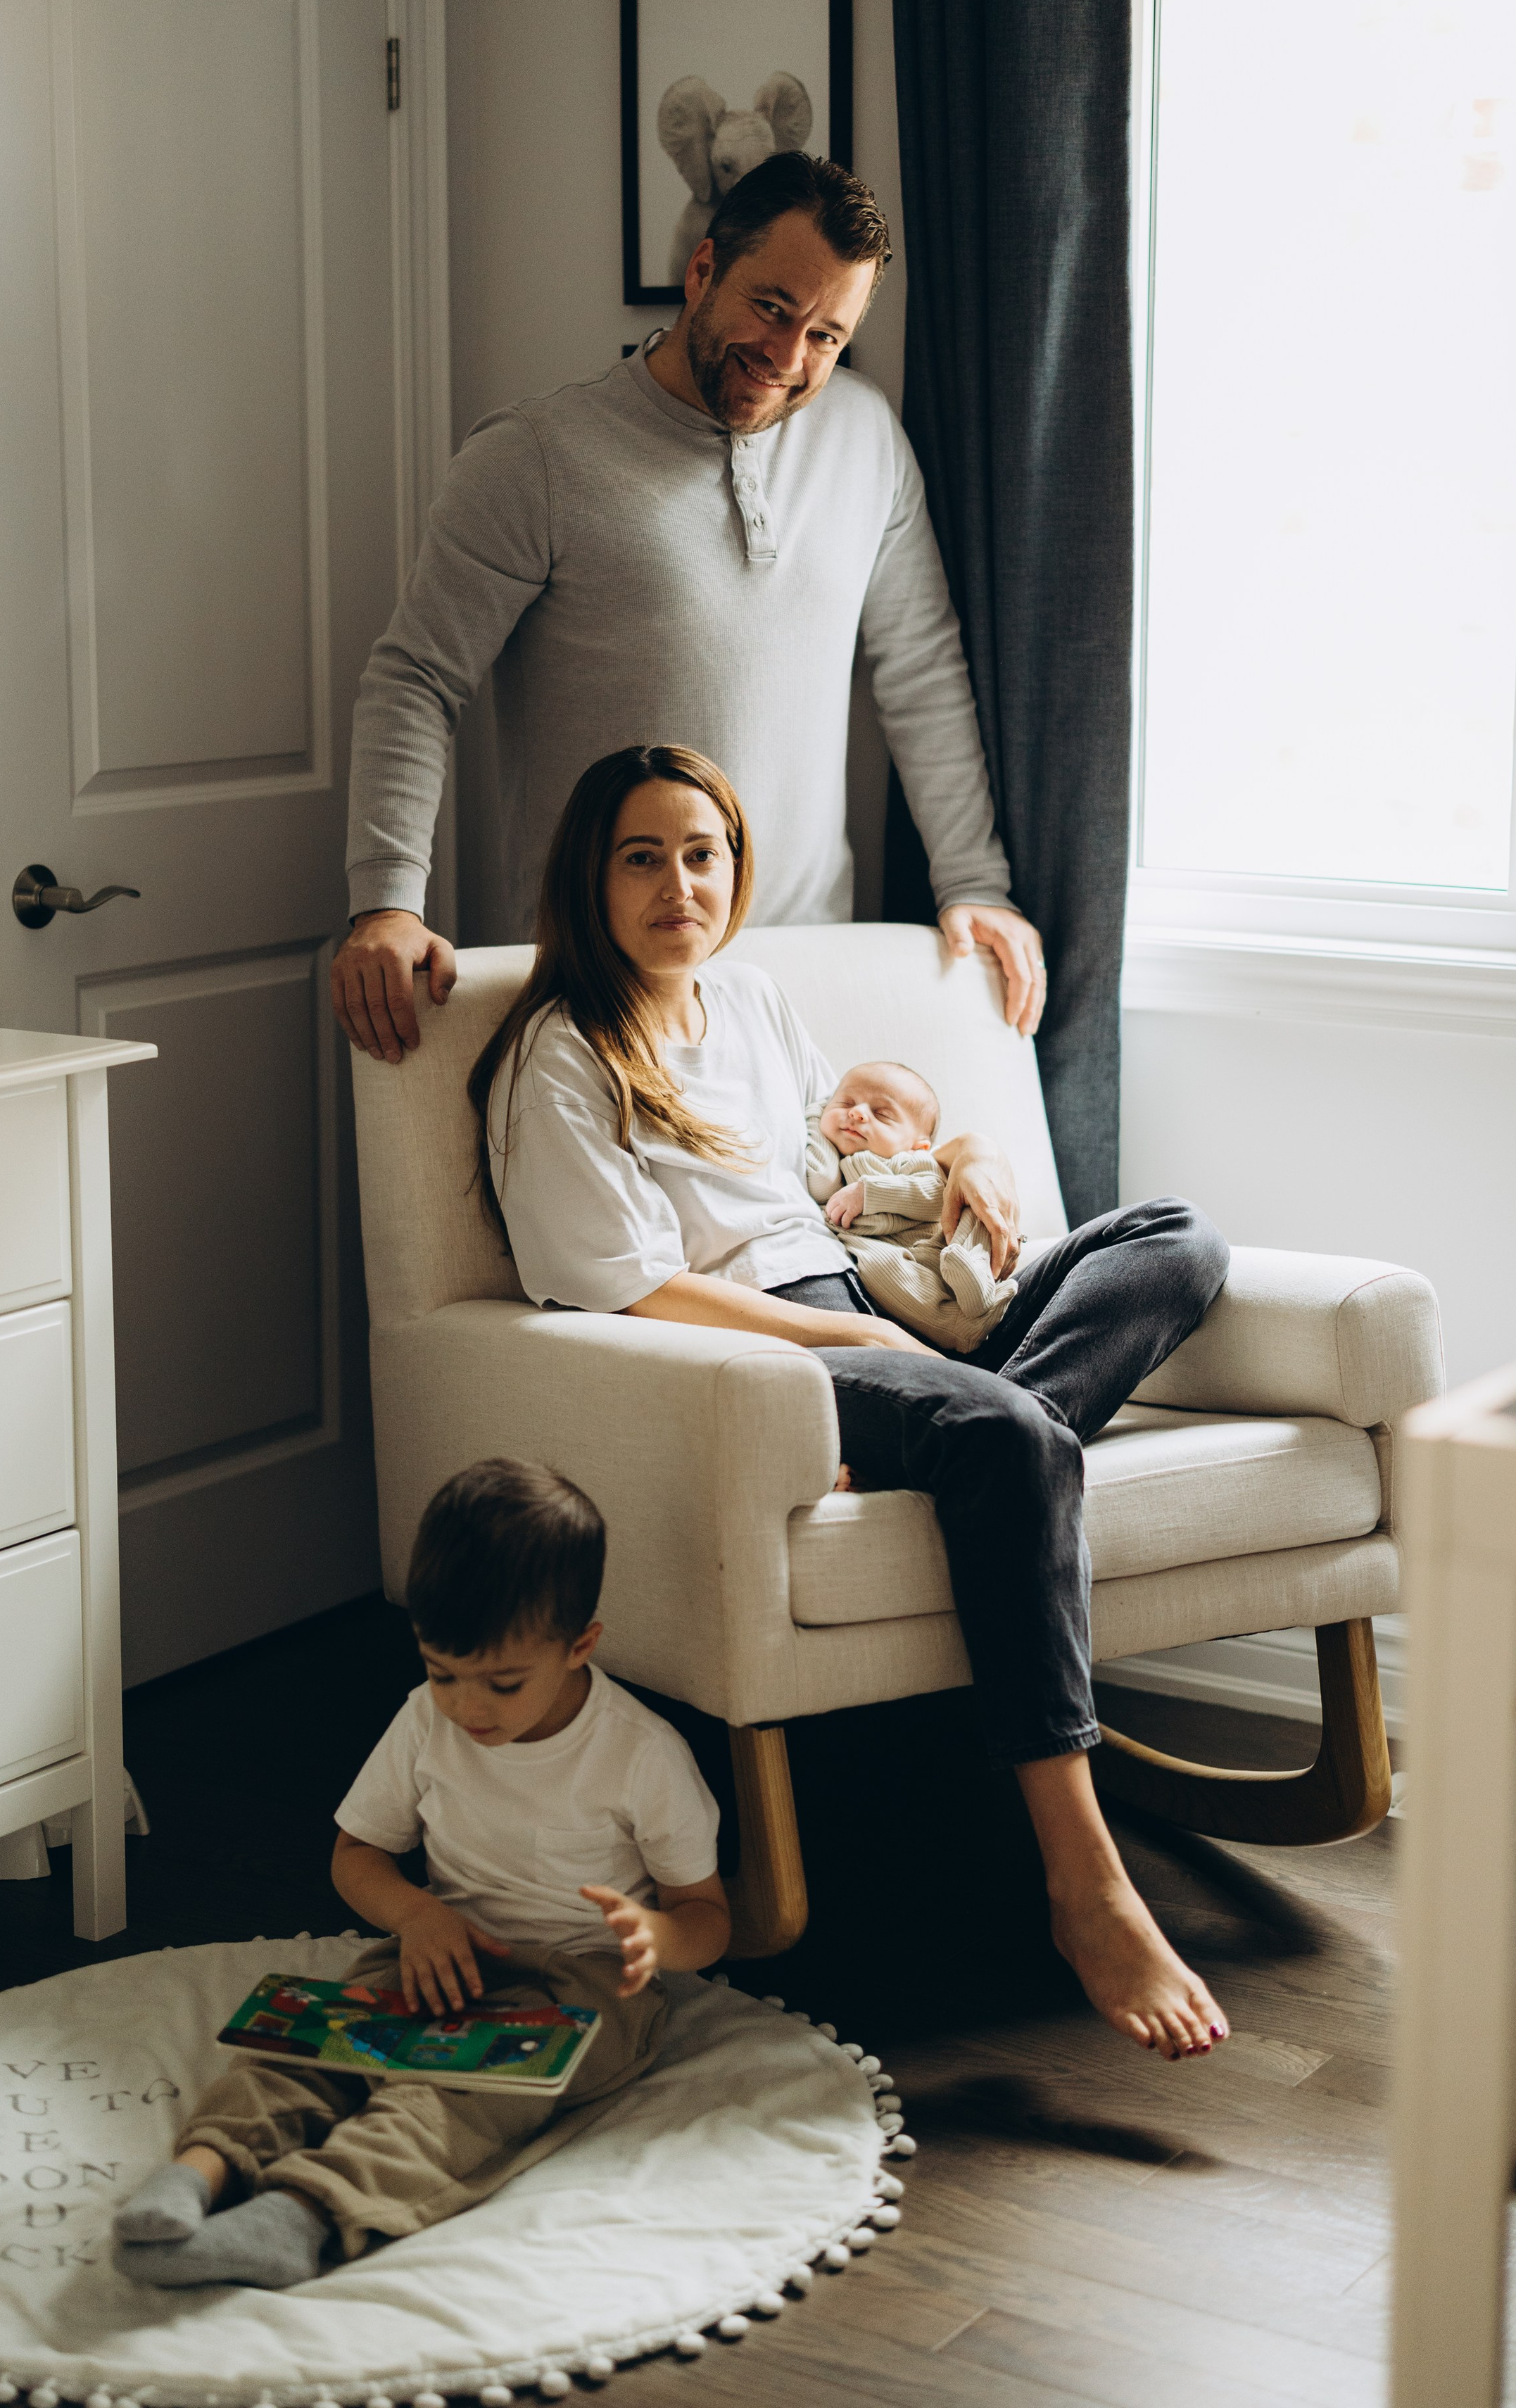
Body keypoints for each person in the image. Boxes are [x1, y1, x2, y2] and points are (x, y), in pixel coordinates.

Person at [470, 743, 1234, 2065]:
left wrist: (972, 1153)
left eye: (701, 853)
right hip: (772, 1351)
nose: (677, 884)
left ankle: (981, 1446)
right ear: (587, 879)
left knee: (1177, 1239)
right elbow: (623, 1288)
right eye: (640, 856)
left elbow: (849, 1142)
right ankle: (1083, 1878)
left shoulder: (751, 1000)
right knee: (1000, 1431)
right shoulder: (561, 1056)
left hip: (889, 1304)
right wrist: (824, 1328)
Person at [332, 148, 1047, 1069]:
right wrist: (388, 902)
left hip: (801, 990)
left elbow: (919, 671)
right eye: (773, 308)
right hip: (600, 994)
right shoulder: (537, 458)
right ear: (704, 269)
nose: (788, 359)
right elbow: (416, 678)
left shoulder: (867, 437)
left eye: (827, 335)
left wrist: (974, 881)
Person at [110, 1459, 728, 2288]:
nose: (469, 1708)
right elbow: (357, 1853)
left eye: (502, 1684)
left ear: (580, 1644)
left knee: (451, 2098)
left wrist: (655, 1936)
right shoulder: (422, 1722)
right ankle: (197, 2175)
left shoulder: (640, 1754)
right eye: (443, 1674)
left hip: (585, 1985)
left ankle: (304, 2215)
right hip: (444, 1952)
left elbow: (708, 1915)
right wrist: (415, 1917)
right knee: (298, 2050)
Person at [804, 1061, 1013, 1354]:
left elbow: (935, 1197)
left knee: (971, 1208)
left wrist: (870, 1192)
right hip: (895, 1256)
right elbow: (821, 1184)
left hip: (944, 1239)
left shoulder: (909, 1161)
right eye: (845, 1103)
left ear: (918, 1145)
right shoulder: (838, 1170)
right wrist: (817, 1117)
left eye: (881, 1114)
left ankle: (976, 1271)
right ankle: (956, 1325)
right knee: (876, 1266)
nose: (856, 1113)